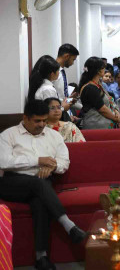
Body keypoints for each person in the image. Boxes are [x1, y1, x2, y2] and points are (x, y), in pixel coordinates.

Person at [0, 100, 87, 269]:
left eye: (44, 121)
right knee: (38, 184)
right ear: (25, 118)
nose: (42, 125)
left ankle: (42, 258)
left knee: (40, 201)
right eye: (37, 121)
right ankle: (69, 226)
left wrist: (53, 166)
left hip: (42, 183)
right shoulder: (8, 135)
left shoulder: (53, 136)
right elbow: (4, 161)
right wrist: (38, 161)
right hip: (11, 182)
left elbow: (64, 161)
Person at [79, 57, 120, 129]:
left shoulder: (98, 84)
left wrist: (116, 111)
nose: (105, 70)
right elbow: (102, 109)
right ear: (98, 71)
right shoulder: (90, 88)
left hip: (103, 124)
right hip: (96, 126)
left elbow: (109, 100)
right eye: (103, 68)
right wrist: (116, 118)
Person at [53, 44, 80, 112]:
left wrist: (70, 100)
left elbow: (61, 97)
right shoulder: (53, 72)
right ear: (67, 56)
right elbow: (52, 97)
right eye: (73, 59)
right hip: (56, 111)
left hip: (62, 110)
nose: (73, 63)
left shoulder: (62, 71)